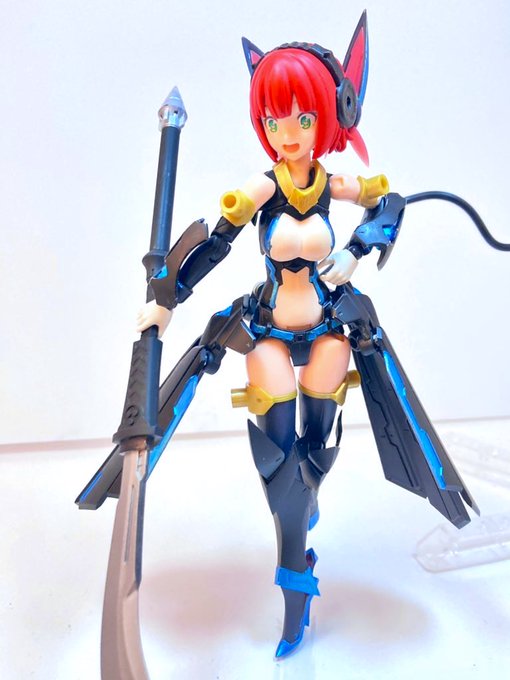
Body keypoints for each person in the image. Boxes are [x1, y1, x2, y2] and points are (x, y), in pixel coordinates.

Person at [136, 13, 390, 657]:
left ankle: (305, 513)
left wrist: (358, 248)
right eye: (275, 120)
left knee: (316, 454)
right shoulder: (263, 186)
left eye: (302, 117)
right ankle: (294, 568)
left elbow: (389, 202)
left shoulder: (331, 184)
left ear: (328, 118)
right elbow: (214, 244)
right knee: (282, 464)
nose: (288, 133)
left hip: (328, 326)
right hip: (268, 330)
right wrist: (166, 301)